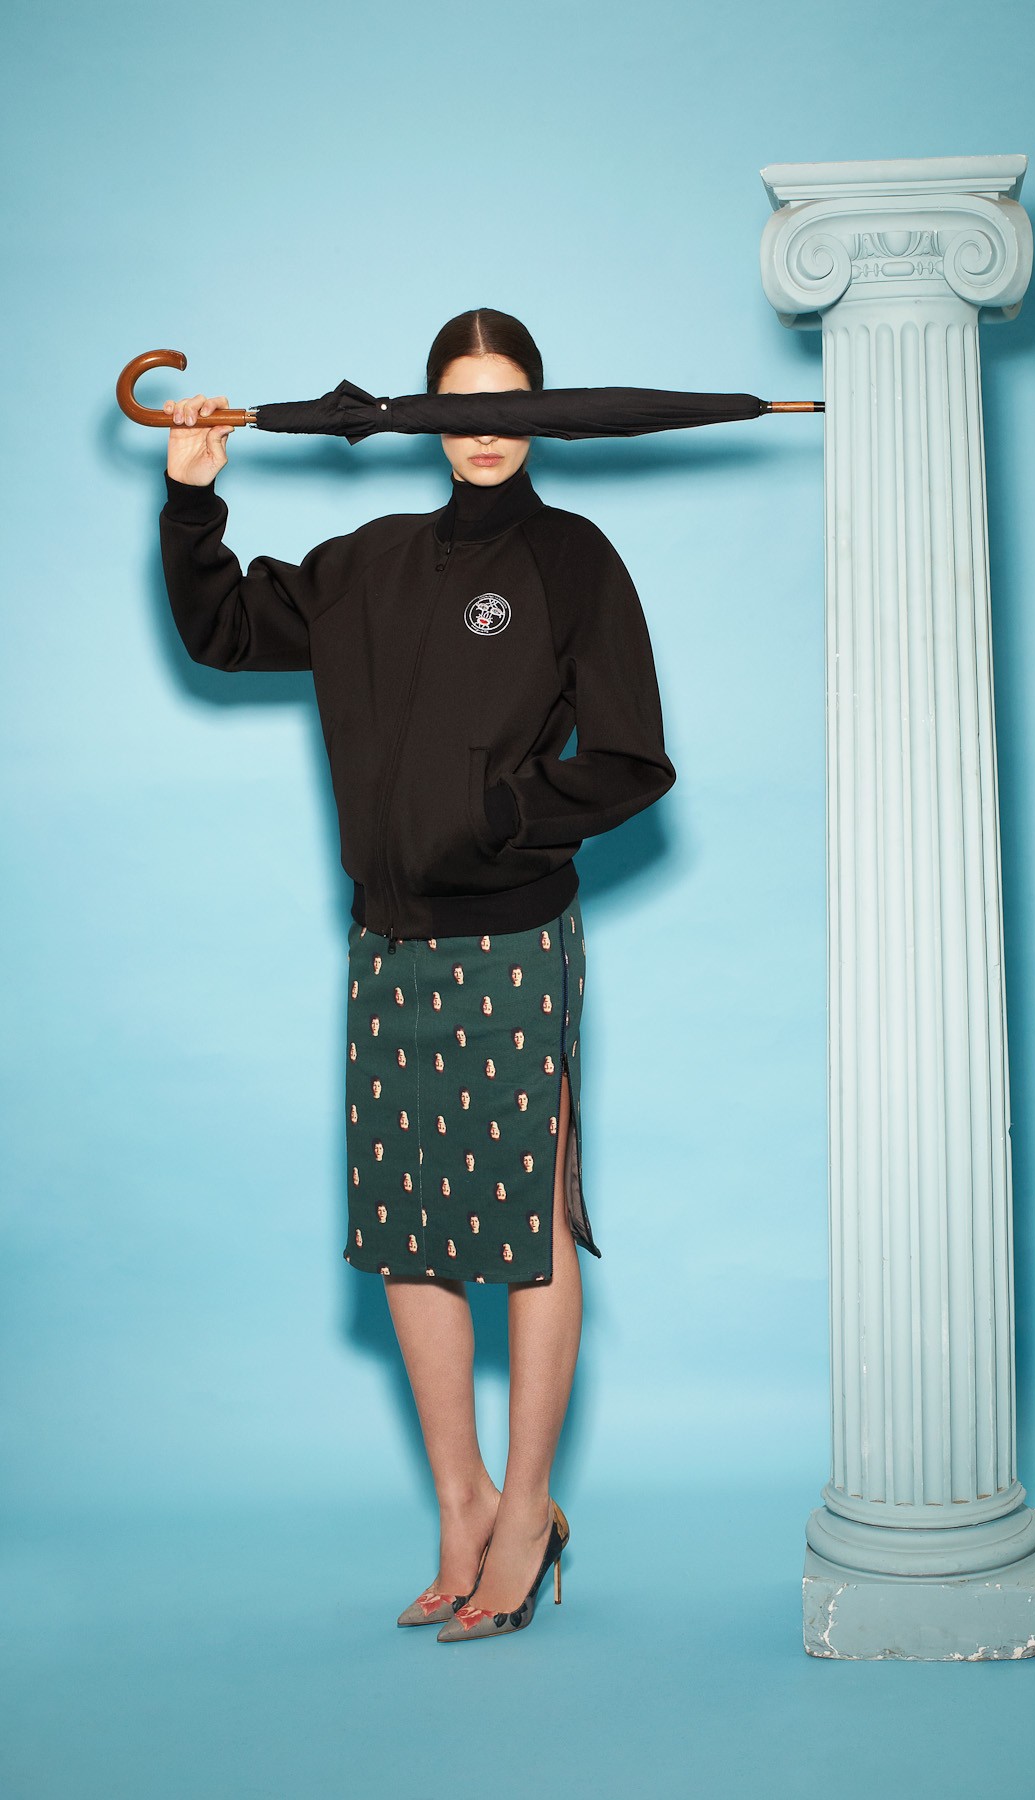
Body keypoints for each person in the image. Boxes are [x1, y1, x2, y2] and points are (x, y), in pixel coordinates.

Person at [157, 308, 676, 1642]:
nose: (486, 431)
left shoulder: (573, 561)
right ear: (428, 418)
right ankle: (462, 1504)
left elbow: (632, 760)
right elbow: (222, 631)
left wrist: (502, 816)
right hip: (386, 942)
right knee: (406, 1227)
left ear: (543, 416)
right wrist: (193, 502)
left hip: (512, 940)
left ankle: (530, 1510)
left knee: (526, 1228)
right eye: (461, 406)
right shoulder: (369, 564)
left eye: (511, 405)